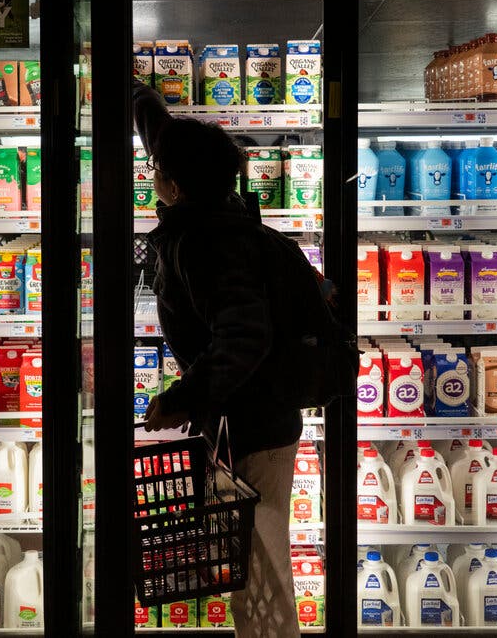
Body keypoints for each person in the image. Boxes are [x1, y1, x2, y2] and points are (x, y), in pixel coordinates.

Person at [134, 80, 301, 638]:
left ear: (174, 186)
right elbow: (167, 142)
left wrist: (181, 400)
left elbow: (242, 337)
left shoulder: (207, 243)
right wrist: (135, 91)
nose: (152, 174)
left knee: (263, 582)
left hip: (254, 431)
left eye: (158, 169)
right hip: (245, 422)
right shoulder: (219, 212)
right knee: (246, 572)